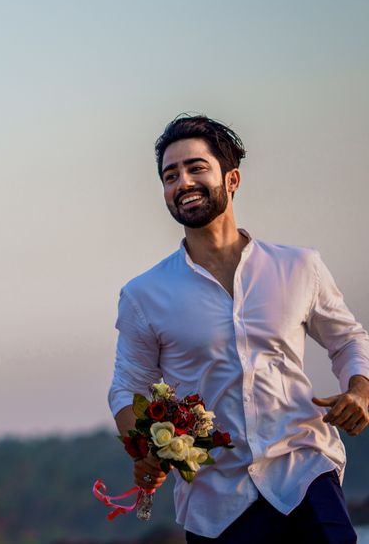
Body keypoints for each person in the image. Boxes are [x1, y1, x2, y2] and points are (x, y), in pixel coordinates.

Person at [107, 115, 369, 543]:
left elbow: (348, 339)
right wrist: (146, 449)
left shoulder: (298, 266)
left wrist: (359, 390)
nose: (183, 182)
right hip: (216, 502)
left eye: (196, 168)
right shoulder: (144, 294)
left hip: (304, 472)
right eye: (170, 176)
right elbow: (126, 389)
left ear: (232, 179)